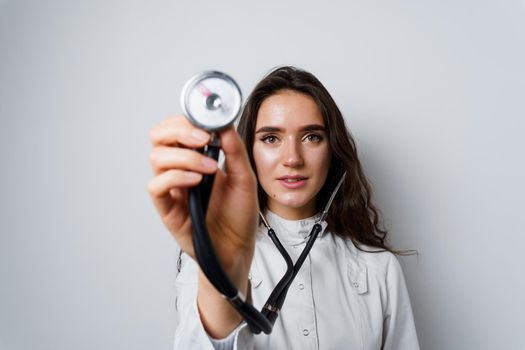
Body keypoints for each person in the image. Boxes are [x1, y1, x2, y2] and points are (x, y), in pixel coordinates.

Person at [147, 66, 420, 349]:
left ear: (332, 149)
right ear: (247, 151)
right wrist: (222, 273)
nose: (292, 158)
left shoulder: (379, 268)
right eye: (271, 138)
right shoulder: (208, 255)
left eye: (311, 136)